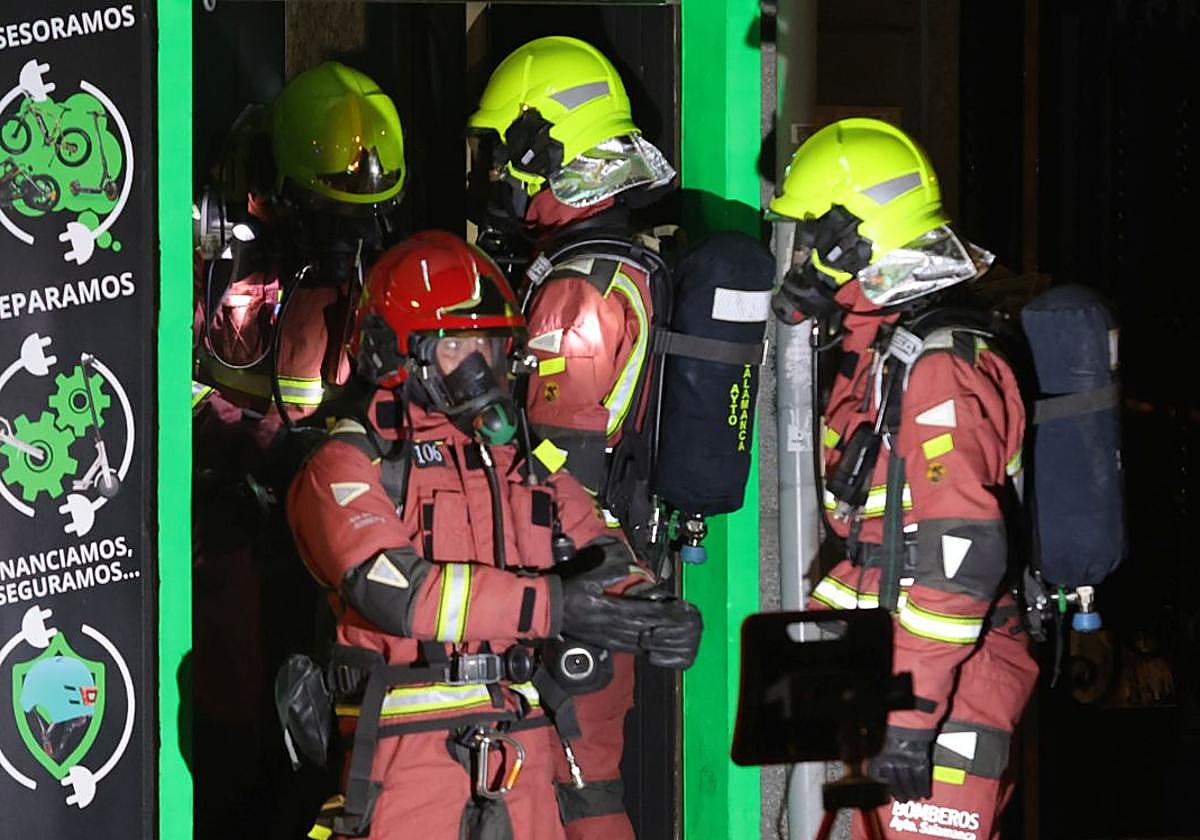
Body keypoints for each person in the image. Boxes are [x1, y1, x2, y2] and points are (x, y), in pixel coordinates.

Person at [285, 230, 702, 839]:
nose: (480, 367)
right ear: (398, 353)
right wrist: (556, 605)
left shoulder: (521, 459)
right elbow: (402, 596)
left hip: (526, 751)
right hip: (405, 759)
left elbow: (599, 549)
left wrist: (648, 609)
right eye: (458, 347)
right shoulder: (345, 464)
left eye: (489, 345)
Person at [770, 117, 1038, 839]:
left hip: (944, 685)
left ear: (851, 236)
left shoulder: (943, 367)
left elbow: (963, 560)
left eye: (811, 237)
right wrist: (830, 307)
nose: (802, 253)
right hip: (891, 663)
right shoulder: (900, 346)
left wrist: (913, 717)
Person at [466, 36, 677, 839]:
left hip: (580, 591)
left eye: (503, 150)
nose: (496, 172)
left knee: (573, 800)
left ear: (542, 148)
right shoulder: (606, 263)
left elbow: (553, 475)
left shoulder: (576, 293)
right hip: (594, 587)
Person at [190, 61, 406, 837]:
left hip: (334, 523)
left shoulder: (365, 275)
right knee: (233, 699)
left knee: (325, 716)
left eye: (369, 215)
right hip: (231, 518)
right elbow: (178, 377)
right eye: (334, 212)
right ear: (284, 188)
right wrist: (233, 453)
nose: (355, 235)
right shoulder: (222, 255)